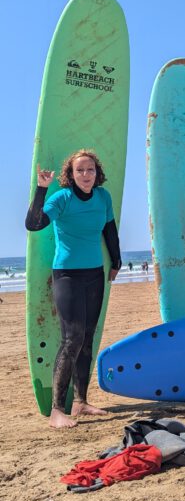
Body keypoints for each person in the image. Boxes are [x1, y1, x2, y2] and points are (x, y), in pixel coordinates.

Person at [25, 150, 121, 429]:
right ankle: (57, 410)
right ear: (71, 174)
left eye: (90, 169)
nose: (86, 175)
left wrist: (116, 260)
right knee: (72, 338)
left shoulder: (103, 197)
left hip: (94, 273)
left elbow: (109, 229)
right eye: (80, 170)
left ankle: (80, 402)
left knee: (88, 337)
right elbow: (34, 224)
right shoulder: (61, 198)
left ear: (96, 172)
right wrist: (42, 189)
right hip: (67, 274)